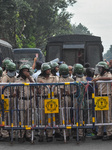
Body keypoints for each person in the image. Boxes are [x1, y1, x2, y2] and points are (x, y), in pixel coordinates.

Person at [37, 63, 58, 142]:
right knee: (42, 117)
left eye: (49, 69)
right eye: (47, 69)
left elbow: (54, 86)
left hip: (51, 99)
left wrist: (46, 85)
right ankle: (41, 134)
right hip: (43, 98)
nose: (49, 71)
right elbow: (38, 89)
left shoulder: (54, 77)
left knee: (50, 116)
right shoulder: (39, 78)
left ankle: (49, 134)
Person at [92, 61, 112, 140]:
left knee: (107, 115)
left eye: (100, 68)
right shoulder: (98, 75)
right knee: (99, 116)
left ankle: (109, 133)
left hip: (107, 96)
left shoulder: (108, 74)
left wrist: (99, 78)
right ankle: (99, 133)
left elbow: (110, 78)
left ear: (104, 68)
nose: (99, 69)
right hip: (99, 97)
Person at [15, 64, 34, 142]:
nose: (26, 72)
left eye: (27, 71)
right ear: (21, 72)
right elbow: (16, 91)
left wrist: (29, 77)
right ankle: (21, 135)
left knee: (29, 118)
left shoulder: (31, 78)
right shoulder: (18, 80)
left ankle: (28, 135)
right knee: (22, 118)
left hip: (30, 99)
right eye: (24, 71)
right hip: (22, 100)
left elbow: (34, 86)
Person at [57, 64, 74, 141]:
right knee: (67, 116)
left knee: (63, 116)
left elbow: (60, 91)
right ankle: (67, 133)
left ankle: (65, 134)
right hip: (69, 97)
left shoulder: (59, 79)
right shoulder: (71, 79)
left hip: (63, 98)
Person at [1, 62, 16, 141]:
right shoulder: (5, 77)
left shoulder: (14, 76)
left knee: (11, 115)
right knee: (5, 116)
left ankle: (11, 132)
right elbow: (2, 87)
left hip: (11, 98)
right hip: (6, 97)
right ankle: (5, 133)